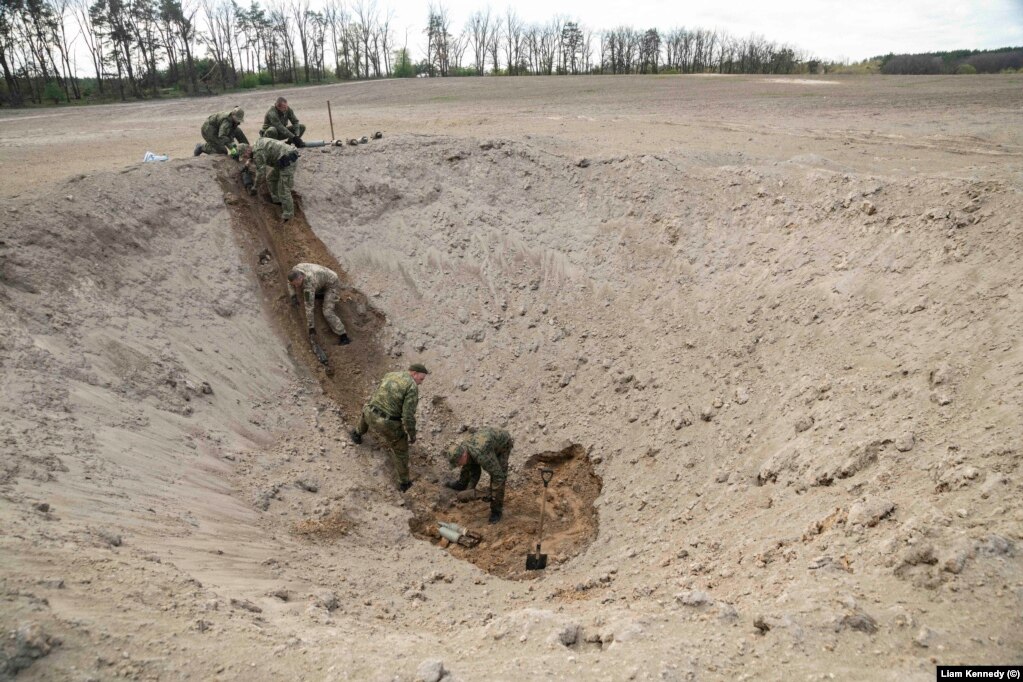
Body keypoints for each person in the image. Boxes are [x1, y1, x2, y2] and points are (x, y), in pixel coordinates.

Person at [350, 364, 429, 492]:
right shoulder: (412, 387)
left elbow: (377, 394)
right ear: (414, 373)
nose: (421, 383)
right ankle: (404, 483)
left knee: (368, 411)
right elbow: (408, 415)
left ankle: (357, 434)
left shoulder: (391, 374)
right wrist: (412, 434)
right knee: (401, 451)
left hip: (369, 414)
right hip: (387, 423)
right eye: (421, 379)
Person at [444, 428, 513, 524]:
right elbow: (475, 472)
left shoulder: (482, 455)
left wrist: (492, 496)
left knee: (498, 476)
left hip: (503, 444)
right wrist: (469, 491)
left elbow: (498, 476)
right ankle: (462, 484)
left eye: (457, 463)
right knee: (467, 466)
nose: (457, 465)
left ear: (463, 455)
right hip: (485, 442)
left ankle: (496, 511)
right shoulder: (464, 448)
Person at [286, 264, 351, 345]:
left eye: (296, 284)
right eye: (294, 285)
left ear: (300, 278)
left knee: (327, 312)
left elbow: (309, 307)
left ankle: (343, 336)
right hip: (322, 278)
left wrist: (311, 327)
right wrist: (293, 296)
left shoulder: (309, 285)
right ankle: (321, 295)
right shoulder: (296, 269)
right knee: (310, 293)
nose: (296, 286)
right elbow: (289, 282)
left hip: (332, 284)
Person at [239, 137, 299, 221]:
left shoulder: (258, 153)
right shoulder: (256, 145)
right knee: (271, 178)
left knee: (284, 189)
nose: (245, 157)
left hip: (288, 160)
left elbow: (261, 173)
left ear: (247, 150)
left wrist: (255, 187)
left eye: (244, 155)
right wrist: (248, 163)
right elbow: (255, 154)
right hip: (282, 159)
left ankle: (288, 214)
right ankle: (277, 200)